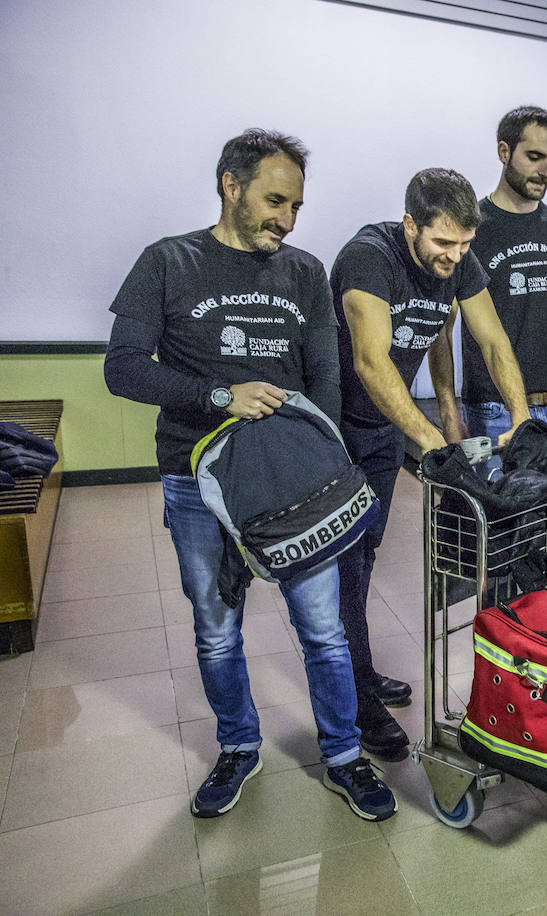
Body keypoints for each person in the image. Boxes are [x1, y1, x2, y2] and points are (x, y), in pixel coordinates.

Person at [104, 129, 396, 821]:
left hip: (293, 490)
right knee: (216, 628)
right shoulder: (168, 262)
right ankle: (238, 746)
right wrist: (217, 396)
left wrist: (324, 464)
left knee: (324, 631)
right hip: (197, 483)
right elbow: (122, 367)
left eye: (296, 205)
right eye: (273, 201)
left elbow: (325, 374)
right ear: (229, 185)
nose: (287, 220)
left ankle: (344, 755)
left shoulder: (303, 271)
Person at [331, 168, 531, 761]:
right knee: (344, 567)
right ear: (410, 224)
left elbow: (491, 341)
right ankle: (357, 701)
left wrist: (520, 419)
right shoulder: (368, 257)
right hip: (334, 429)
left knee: (364, 556)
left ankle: (359, 673)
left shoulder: (460, 262)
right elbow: (372, 363)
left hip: (380, 436)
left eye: (465, 245)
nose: (455, 256)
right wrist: (435, 443)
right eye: (444, 243)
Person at [462, 105, 547, 587]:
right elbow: (444, 327)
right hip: (495, 409)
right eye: (535, 157)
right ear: (504, 152)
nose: (545, 171)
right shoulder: (473, 225)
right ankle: (507, 643)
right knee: (504, 539)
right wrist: (449, 409)